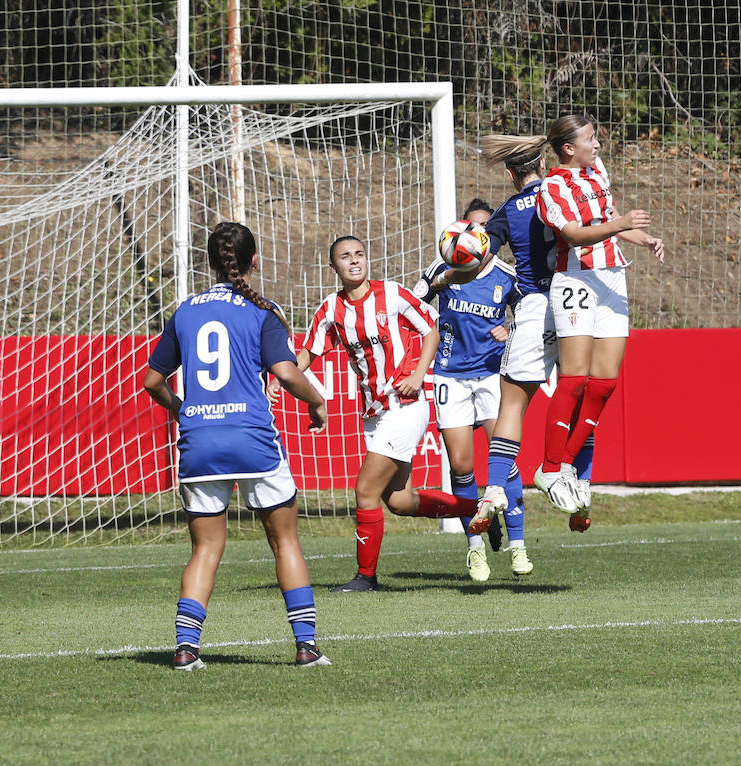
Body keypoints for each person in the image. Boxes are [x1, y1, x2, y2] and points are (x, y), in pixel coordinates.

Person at [143, 222, 332, 670]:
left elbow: (152, 381)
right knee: (285, 542)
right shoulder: (260, 310)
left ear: (209, 263)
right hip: (252, 440)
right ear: (253, 261)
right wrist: (318, 401)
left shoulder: (186, 310)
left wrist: (183, 410)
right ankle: (306, 647)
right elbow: (286, 373)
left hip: (199, 442)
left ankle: (186, 650)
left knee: (205, 549)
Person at [289, 235, 477, 592]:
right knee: (399, 501)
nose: (354, 261)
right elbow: (307, 355)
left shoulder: (391, 293)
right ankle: (476, 507)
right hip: (374, 412)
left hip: (406, 405)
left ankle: (365, 578)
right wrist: (280, 377)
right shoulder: (331, 309)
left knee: (365, 491)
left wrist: (419, 375)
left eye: (359, 254)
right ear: (334, 267)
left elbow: (432, 329)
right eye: (345, 257)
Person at [533, 114, 664, 525]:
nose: (598, 144)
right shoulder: (552, 187)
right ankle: (550, 467)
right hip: (577, 278)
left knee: (605, 383)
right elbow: (574, 234)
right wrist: (621, 224)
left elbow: (606, 220)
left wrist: (638, 237)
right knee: (574, 379)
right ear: (568, 148)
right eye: (591, 138)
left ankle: (566, 464)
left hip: (612, 277)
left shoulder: (597, 171)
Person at [465, 136, 597, 537]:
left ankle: (492, 491)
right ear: (542, 163)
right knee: (580, 396)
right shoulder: (566, 192)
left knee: (512, 402)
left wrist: (449, 270)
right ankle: (582, 487)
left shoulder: (505, 212)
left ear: (510, 173)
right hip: (577, 298)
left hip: (537, 305)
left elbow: (478, 262)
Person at [414, 200, 527, 581]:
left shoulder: (507, 277)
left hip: (491, 375)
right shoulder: (443, 267)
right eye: (469, 227)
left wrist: (510, 330)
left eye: (484, 230)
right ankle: (475, 550)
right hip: (450, 377)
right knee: (462, 466)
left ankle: (518, 546)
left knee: (504, 459)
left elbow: (531, 316)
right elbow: (415, 304)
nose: (474, 238)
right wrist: (439, 281)